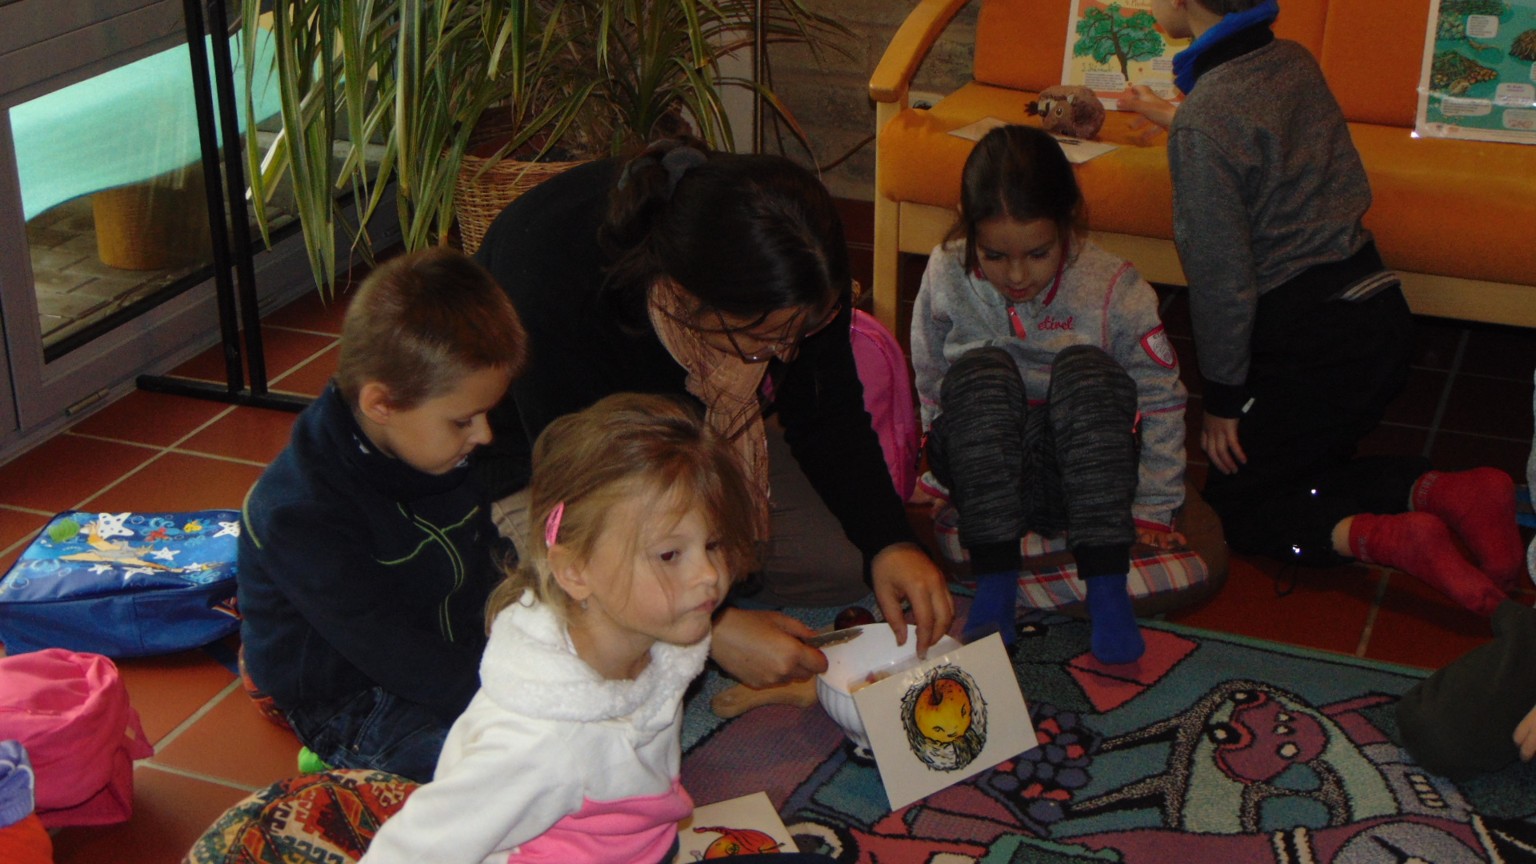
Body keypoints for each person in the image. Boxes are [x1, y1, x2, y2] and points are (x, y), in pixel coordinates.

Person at [473, 136, 955, 689]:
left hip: (694, 437)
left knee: (841, 564)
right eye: (762, 339)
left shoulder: (801, 270)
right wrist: (713, 630)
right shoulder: (560, 287)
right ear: (687, 295)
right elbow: (587, 496)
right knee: (597, 652)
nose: (786, 355)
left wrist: (890, 540)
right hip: (544, 465)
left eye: (801, 333)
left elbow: (827, 411)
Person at [1125, 0, 1523, 615]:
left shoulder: (1205, 122)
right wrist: (1178, 119)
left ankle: (1393, 539)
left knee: (1239, 507)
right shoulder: (1290, 59)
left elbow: (1222, 280)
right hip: (1376, 314)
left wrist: (1223, 400)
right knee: (1304, 465)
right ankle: (1452, 491)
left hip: (1310, 343)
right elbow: (1256, 134)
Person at [359, 393, 833, 864]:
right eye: (670, 554)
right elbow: (408, 851)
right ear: (575, 571)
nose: (708, 574)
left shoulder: (654, 633)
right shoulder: (538, 742)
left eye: (713, 544)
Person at [237, 247, 528, 782]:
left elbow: (486, 551)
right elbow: (393, 653)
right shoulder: (298, 514)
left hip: (442, 646)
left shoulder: (434, 444)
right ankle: (335, 756)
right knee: (489, 778)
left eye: (487, 413)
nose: (485, 435)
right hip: (349, 694)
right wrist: (507, 698)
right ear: (381, 405)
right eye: (464, 420)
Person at [910, 124, 1188, 665]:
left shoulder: (1115, 287)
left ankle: (1106, 589)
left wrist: (1155, 505)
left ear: (1068, 223)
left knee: (1087, 370)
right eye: (994, 255)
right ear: (967, 226)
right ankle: (996, 585)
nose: (1017, 276)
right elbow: (929, 373)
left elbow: (1160, 397)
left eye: (1038, 254)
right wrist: (935, 471)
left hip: (1080, 474)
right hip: (986, 474)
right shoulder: (945, 269)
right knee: (980, 372)